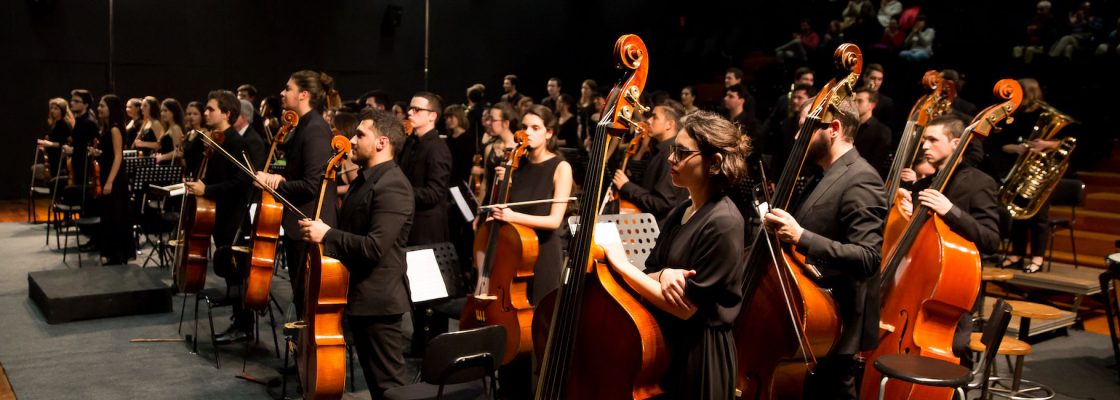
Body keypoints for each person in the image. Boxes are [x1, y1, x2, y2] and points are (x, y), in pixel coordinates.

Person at [602, 110, 750, 399]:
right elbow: (651, 271)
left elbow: (686, 308)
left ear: (714, 163)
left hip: (700, 356)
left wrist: (621, 265)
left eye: (682, 153)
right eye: (673, 150)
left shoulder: (725, 222)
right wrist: (665, 274)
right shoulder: (681, 211)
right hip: (668, 345)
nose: (671, 159)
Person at [764, 97, 886, 398]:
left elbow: (867, 257)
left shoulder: (862, 178)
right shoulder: (823, 174)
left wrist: (801, 235)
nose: (797, 137)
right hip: (812, 315)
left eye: (806, 128)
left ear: (833, 128)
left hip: (835, 323)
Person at [299, 109, 413, 399]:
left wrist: (327, 235)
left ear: (382, 142)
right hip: (358, 296)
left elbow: (374, 247)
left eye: (360, 134)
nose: (351, 139)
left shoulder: (393, 185)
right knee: (378, 387)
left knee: (390, 389)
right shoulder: (365, 179)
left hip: (379, 303)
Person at [185, 91, 267, 344]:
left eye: (210, 110)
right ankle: (239, 320)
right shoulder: (215, 140)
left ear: (226, 114)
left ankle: (244, 326)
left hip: (233, 216)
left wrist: (206, 190)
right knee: (229, 271)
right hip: (218, 215)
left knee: (235, 271)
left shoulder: (236, 143)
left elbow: (242, 182)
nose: (206, 113)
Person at [255, 70, 339, 318]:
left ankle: (306, 354)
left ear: (303, 95)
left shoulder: (314, 129)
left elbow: (312, 184)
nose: (282, 93)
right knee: (301, 296)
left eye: (288, 88)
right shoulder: (304, 126)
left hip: (309, 225)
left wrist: (275, 184)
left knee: (307, 299)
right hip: (300, 223)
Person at [611, 101, 690, 223]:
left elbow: (662, 203)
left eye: (655, 117)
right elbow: (650, 190)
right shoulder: (661, 150)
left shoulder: (670, 154)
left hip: (660, 230)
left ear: (669, 124)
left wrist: (626, 187)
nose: (648, 120)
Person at [398, 92, 452, 246]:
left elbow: (433, 194)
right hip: (409, 223)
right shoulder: (410, 143)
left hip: (426, 229)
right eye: (410, 108)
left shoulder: (438, 149)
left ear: (432, 116)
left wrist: (398, 192)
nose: (409, 112)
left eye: (416, 109)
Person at [93, 94, 137, 265]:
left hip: (115, 177)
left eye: (102, 106)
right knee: (109, 215)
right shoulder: (108, 128)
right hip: (108, 173)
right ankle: (113, 253)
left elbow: (119, 157)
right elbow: (111, 153)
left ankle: (118, 254)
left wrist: (110, 181)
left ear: (111, 109)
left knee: (116, 215)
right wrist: (100, 153)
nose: (99, 108)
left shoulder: (114, 129)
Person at [852, 85, 892, 178]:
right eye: (854, 101)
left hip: (861, 178)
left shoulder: (882, 131)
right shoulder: (849, 126)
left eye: (860, 101)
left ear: (872, 105)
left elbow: (876, 164)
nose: (855, 104)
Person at [36, 98, 74, 180]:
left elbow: (64, 144)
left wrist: (48, 143)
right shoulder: (55, 123)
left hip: (60, 162)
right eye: (51, 108)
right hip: (53, 161)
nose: (52, 111)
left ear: (62, 110)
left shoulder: (64, 124)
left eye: (56, 108)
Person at [154, 98, 184, 165]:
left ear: (173, 111)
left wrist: (161, 157)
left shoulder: (175, 128)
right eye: (161, 111)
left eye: (165, 110)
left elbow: (178, 152)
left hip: (170, 166)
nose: (162, 113)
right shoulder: (168, 127)